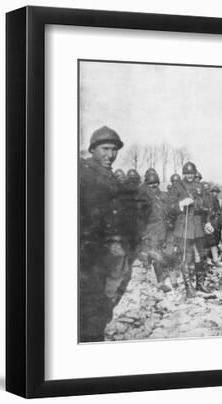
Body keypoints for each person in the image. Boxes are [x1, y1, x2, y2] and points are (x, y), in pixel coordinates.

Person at [79, 125, 128, 343]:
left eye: (114, 150)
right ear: (92, 150)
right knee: (89, 304)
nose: (110, 155)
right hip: (89, 253)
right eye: (105, 149)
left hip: (110, 252)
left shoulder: (111, 178)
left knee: (106, 301)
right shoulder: (82, 174)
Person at [171, 161, 211, 297]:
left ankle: (200, 284)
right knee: (186, 257)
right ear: (184, 174)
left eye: (191, 173)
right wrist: (181, 204)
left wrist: (207, 222)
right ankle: (188, 288)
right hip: (184, 225)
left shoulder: (200, 186)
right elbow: (169, 206)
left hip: (197, 225)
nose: (189, 176)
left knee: (200, 256)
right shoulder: (177, 186)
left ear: (195, 173)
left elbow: (207, 205)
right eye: (187, 173)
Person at [140, 171, 175, 292]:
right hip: (151, 229)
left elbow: (171, 209)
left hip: (165, 228)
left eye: (155, 183)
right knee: (156, 255)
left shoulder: (165, 196)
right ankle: (160, 282)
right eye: (150, 184)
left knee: (168, 253)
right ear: (146, 184)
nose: (154, 185)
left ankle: (168, 275)